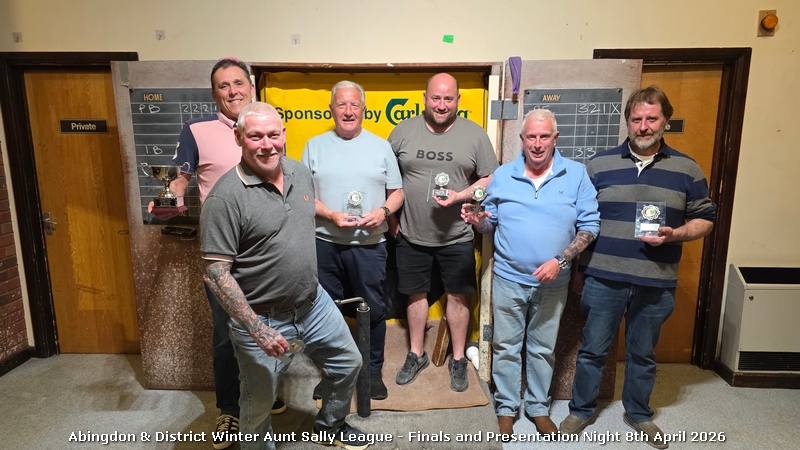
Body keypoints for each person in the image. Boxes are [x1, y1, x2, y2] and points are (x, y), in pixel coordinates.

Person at [201, 102, 369, 450]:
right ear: (239, 137)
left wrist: (331, 215)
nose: (267, 145)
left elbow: (303, 205)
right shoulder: (224, 199)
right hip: (262, 316)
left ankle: (330, 425)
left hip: (312, 302)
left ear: (284, 135)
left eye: (273, 135)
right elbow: (217, 272)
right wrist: (257, 329)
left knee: (348, 363)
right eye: (256, 137)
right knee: (259, 401)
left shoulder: (298, 171)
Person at [559, 86, 716, 449]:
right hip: (603, 277)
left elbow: (705, 219)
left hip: (656, 280)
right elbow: (582, 221)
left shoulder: (687, 169)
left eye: (652, 118)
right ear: (627, 121)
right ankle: (581, 410)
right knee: (593, 350)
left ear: (665, 121)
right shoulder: (598, 165)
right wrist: (579, 271)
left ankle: (639, 413)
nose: (643, 126)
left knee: (642, 353)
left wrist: (677, 233)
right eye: (636, 119)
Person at [153, 57, 285, 450]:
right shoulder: (196, 130)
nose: (233, 91)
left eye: (238, 83)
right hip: (224, 257)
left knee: (272, 327)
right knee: (227, 336)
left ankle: (267, 394)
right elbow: (180, 178)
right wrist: (171, 197)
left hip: (267, 255)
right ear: (214, 94)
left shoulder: (266, 126)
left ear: (251, 87)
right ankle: (228, 409)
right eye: (224, 85)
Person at [462, 109, 600, 436]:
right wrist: (478, 221)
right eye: (531, 137)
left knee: (542, 348)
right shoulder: (503, 175)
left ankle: (538, 407)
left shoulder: (576, 174)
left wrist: (560, 261)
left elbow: (590, 226)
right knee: (506, 347)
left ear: (555, 138)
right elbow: (490, 222)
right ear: (522, 140)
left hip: (554, 281)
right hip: (508, 278)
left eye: (544, 136)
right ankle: (506, 408)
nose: (537, 144)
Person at [388, 72, 499, 392]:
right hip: (411, 234)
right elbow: (386, 177)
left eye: (448, 98)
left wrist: (460, 196)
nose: (441, 104)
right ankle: (416, 353)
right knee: (415, 295)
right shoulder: (403, 132)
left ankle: (459, 358)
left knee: (458, 296)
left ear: (458, 100)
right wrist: (393, 224)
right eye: (435, 98)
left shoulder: (474, 134)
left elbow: (490, 178)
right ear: (424, 98)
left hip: (457, 236)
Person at [301, 80, 404, 400]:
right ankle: (333, 374)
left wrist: (383, 211)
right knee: (325, 312)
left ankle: (372, 373)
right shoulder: (314, 146)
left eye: (354, 105)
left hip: (370, 244)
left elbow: (397, 193)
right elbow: (304, 196)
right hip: (325, 243)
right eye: (341, 105)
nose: (348, 111)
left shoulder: (381, 147)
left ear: (364, 109)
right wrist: (330, 215)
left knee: (372, 310)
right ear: (331, 109)